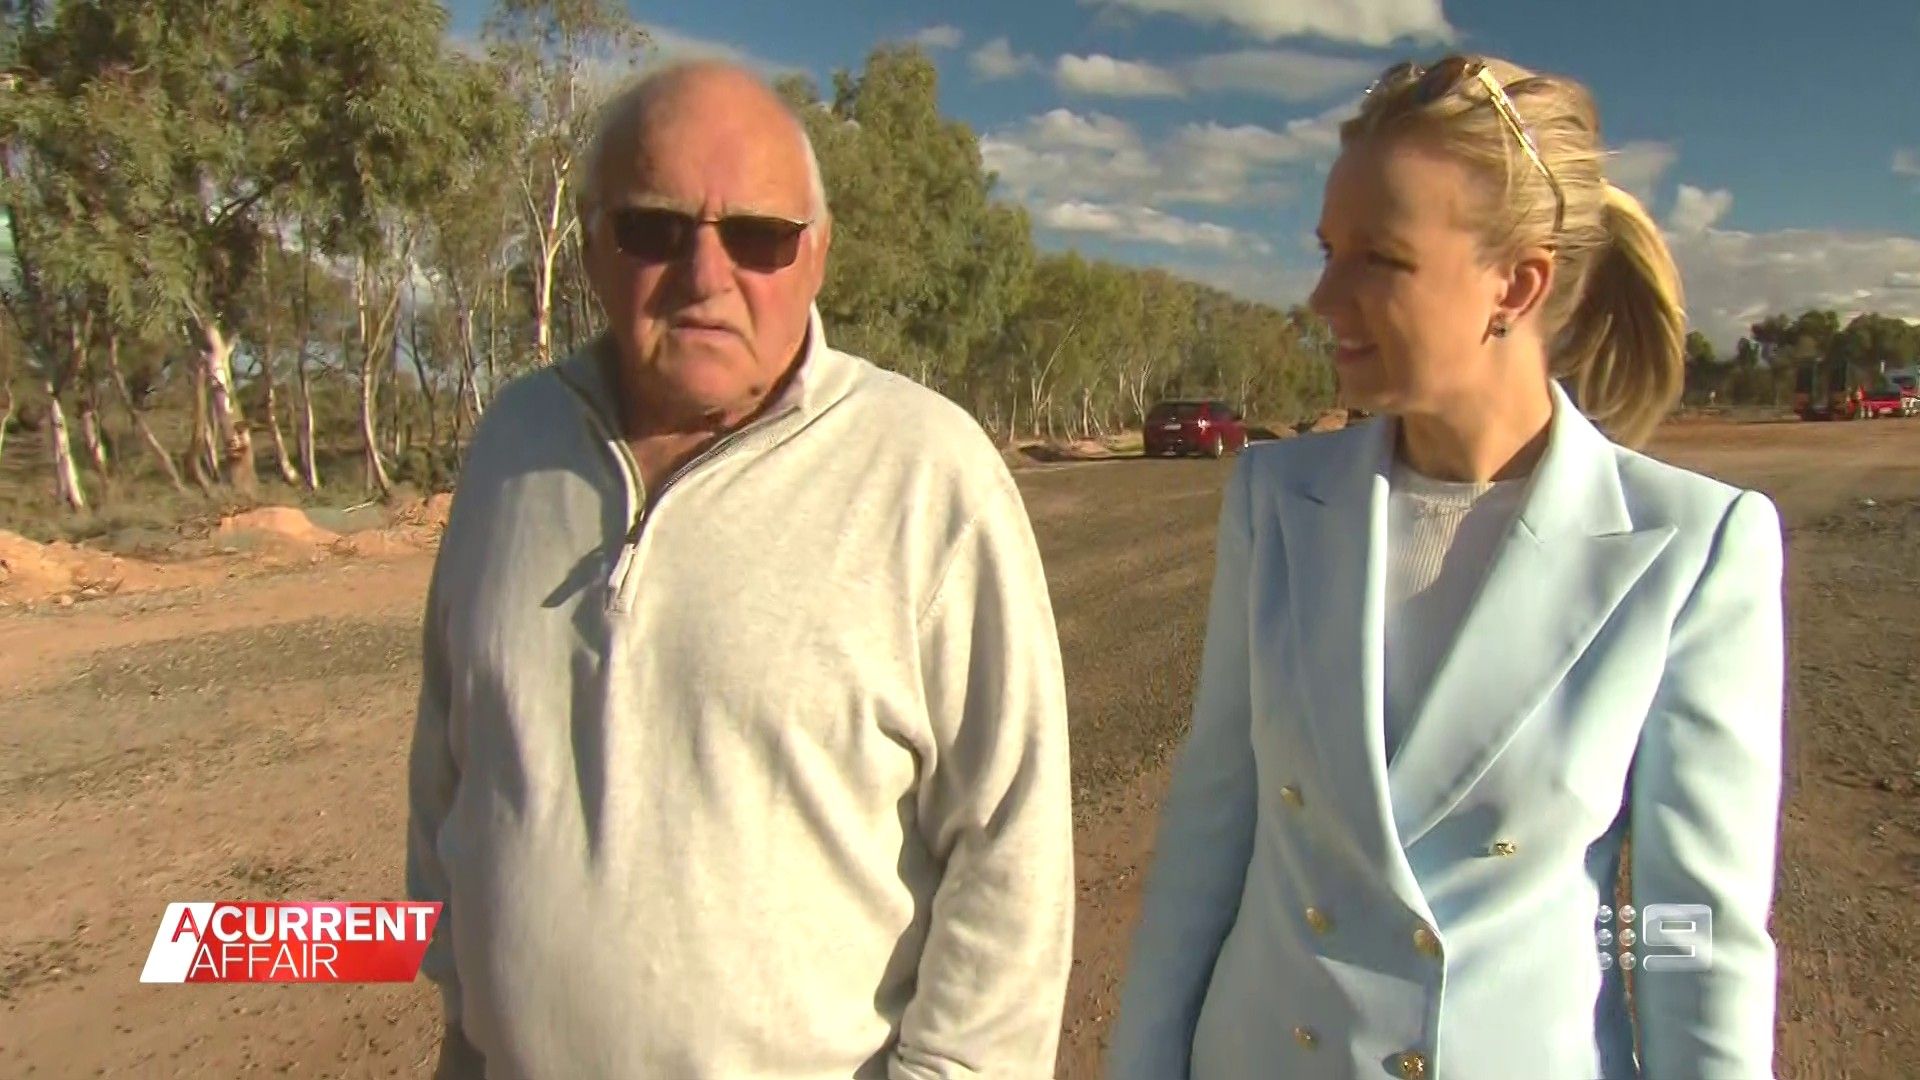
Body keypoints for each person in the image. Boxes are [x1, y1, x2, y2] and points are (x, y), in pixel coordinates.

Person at [1107, 53, 1783, 1080]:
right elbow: (1211, 831)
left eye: (1379, 259)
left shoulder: (1691, 547)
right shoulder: (1276, 499)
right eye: (1327, 250)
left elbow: (1691, 930)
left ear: (1517, 283)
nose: (1323, 297)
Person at [406, 60, 1074, 1080]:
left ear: (818, 255)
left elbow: (1012, 855)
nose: (706, 275)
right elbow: (449, 766)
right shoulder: (512, 445)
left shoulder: (928, 474)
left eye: (759, 237)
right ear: (591, 244)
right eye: (654, 229)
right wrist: (463, 1023)